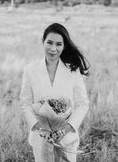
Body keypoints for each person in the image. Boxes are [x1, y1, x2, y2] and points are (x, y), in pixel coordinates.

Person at [20, 23, 90, 162]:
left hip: (67, 137)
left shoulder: (73, 70)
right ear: (43, 42)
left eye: (58, 44)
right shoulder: (30, 70)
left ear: (64, 47)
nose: (53, 49)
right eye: (49, 43)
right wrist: (39, 128)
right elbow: (25, 103)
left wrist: (67, 128)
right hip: (41, 138)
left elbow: (82, 104)